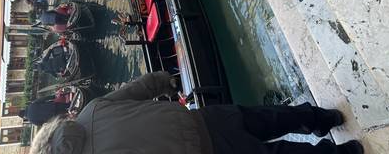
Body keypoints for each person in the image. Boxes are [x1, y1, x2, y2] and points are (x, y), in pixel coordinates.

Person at [29, 71, 364, 154]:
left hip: (206, 152)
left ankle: (341, 153)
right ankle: (325, 119)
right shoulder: (91, 110)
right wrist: (168, 83)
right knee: (268, 117)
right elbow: (144, 87)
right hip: (201, 118)